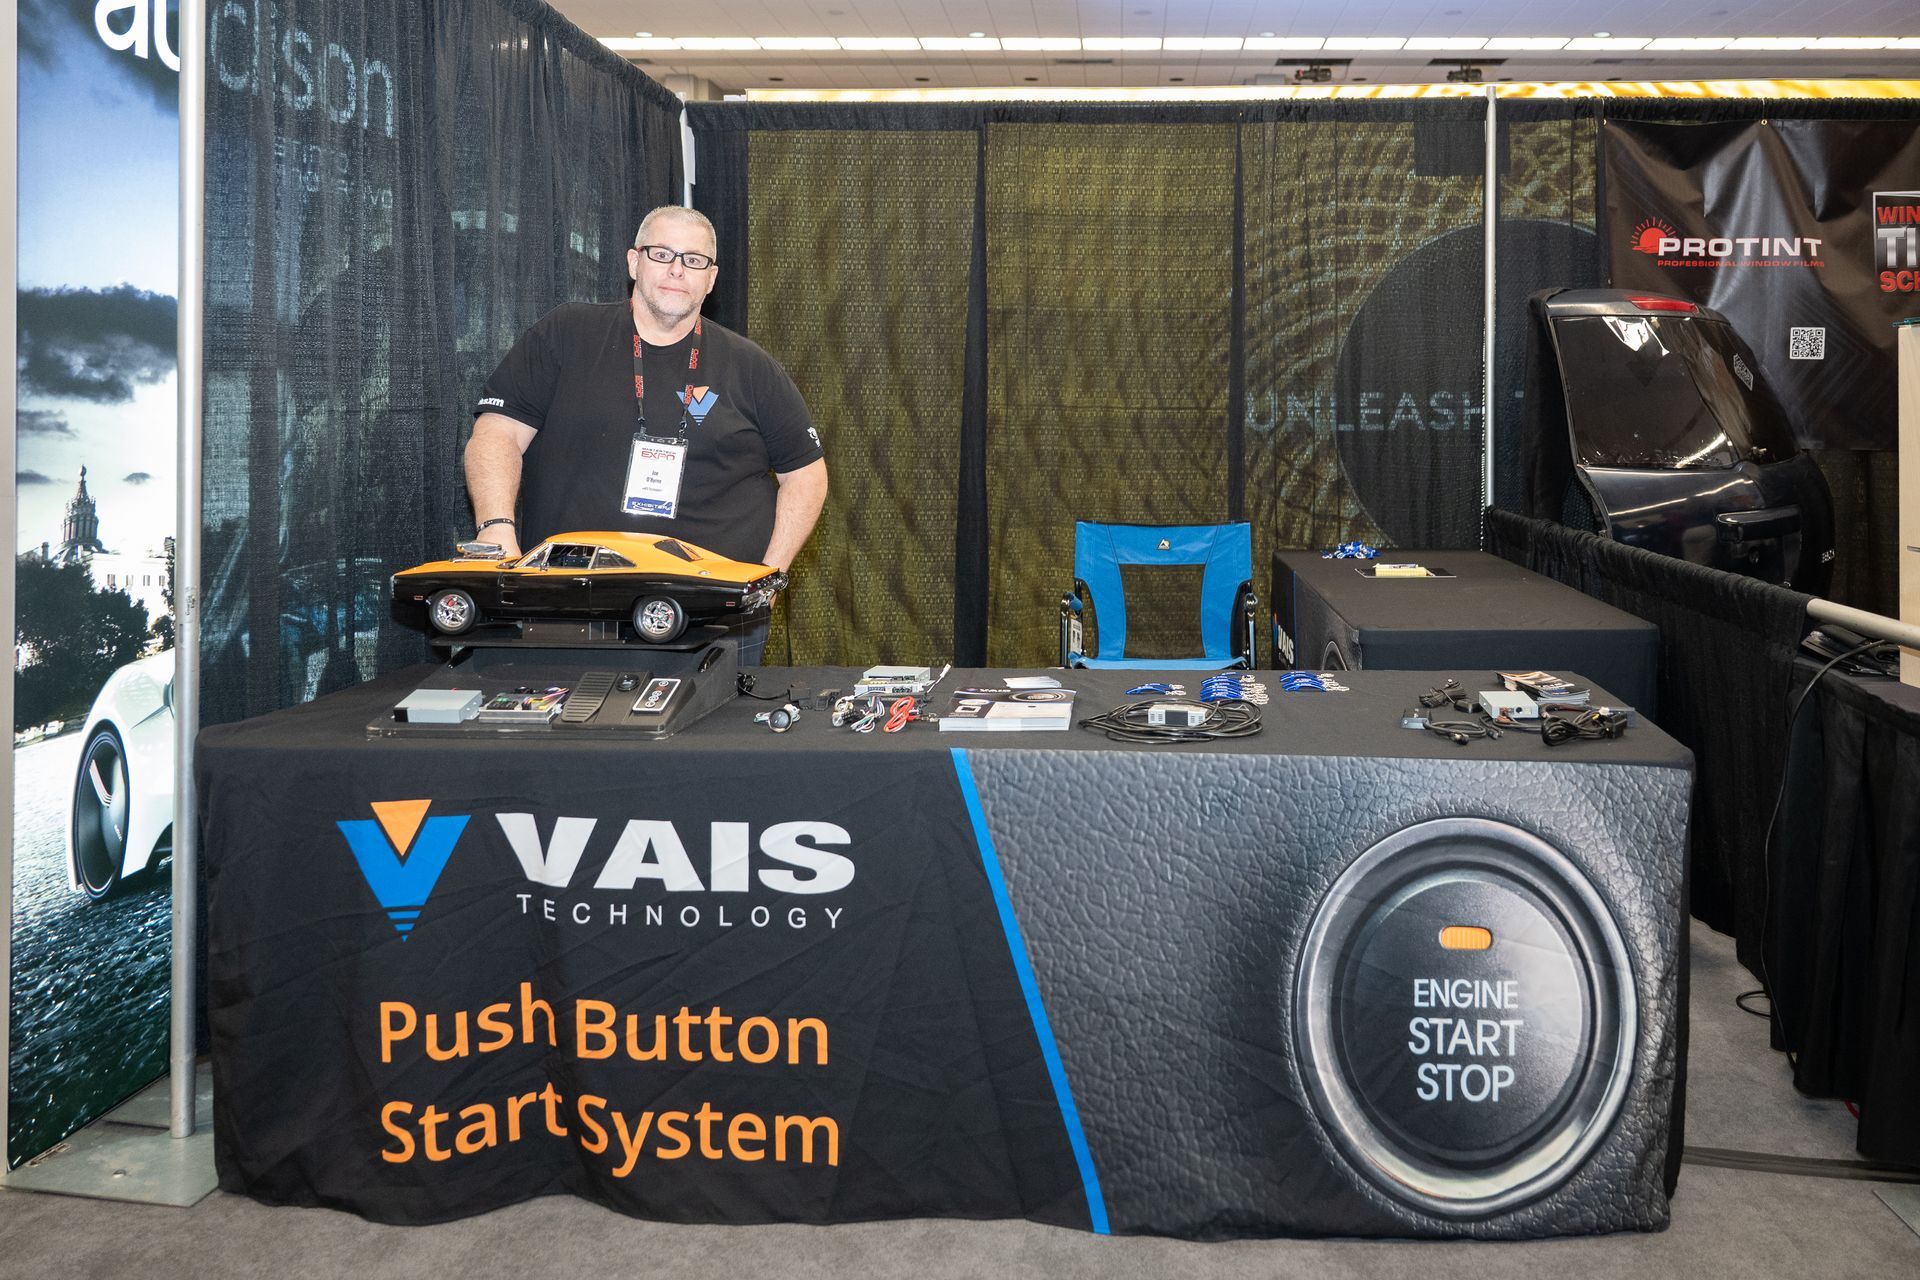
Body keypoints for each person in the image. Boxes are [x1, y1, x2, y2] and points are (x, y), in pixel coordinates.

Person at [464, 205, 828, 664]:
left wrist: (767, 577)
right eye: (662, 254)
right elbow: (496, 434)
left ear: (711, 279)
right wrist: (496, 530)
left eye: (694, 259)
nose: (677, 269)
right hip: (571, 604)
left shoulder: (751, 367)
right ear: (634, 262)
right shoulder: (565, 335)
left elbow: (806, 475)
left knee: (716, 715)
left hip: (714, 613)